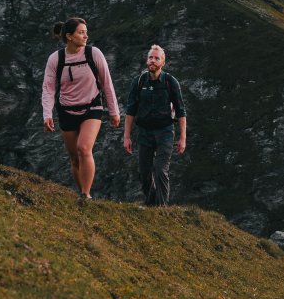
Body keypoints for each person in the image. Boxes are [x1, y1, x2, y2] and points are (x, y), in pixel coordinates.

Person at [41, 17, 120, 205]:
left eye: (86, 31)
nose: (86, 35)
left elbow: (107, 84)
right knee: (74, 158)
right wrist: (47, 114)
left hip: (92, 107)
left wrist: (114, 111)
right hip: (66, 110)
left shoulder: (94, 54)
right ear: (69, 36)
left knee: (84, 148)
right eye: (81, 32)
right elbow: (48, 88)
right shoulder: (56, 59)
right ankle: (81, 193)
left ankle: (86, 195)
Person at [123, 44, 188, 206]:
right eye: (150, 57)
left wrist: (183, 138)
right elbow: (130, 110)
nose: (152, 60)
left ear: (163, 62)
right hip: (144, 132)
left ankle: (162, 208)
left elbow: (181, 111)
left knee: (160, 170)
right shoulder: (138, 82)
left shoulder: (170, 82)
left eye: (156, 58)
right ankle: (152, 205)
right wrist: (126, 136)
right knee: (144, 173)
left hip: (165, 131)